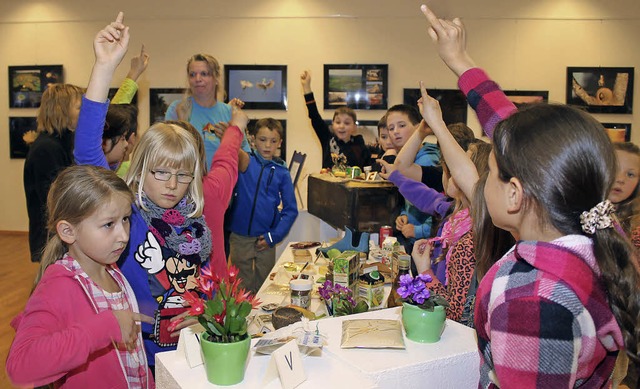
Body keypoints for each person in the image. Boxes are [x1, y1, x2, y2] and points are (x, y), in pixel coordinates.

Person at [421, 4, 640, 387]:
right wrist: (461, 62)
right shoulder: (598, 233)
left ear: (514, 195)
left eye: (491, 171)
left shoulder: (532, 298)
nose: (482, 178)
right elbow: (517, 132)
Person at [72, 12, 247, 369]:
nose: (171, 185)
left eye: (183, 176)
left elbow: (210, 283)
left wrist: (210, 321)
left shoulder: (198, 209)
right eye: (161, 172)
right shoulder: (128, 213)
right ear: (141, 168)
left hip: (197, 349)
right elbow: (87, 152)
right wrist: (104, 68)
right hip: (141, 355)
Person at [7, 165, 154, 388]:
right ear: (68, 231)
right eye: (108, 224)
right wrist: (106, 327)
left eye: (125, 219)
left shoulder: (114, 272)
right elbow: (20, 368)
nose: (123, 235)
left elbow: (135, 360)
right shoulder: (58, 287)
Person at [227, 118, 298, 294]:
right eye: (262, 139)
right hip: (240, 236)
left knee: (265, 285)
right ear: (252, 139)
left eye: (273, 141)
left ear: (280, 143)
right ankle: (241, 319)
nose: (267, 145)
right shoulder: (245, 162)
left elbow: (291, 210)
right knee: (239, 286)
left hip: (266, 238)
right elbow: (233, 143)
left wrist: (273, 236)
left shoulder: (282, 172)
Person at [23, 84, 84, 263]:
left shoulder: (60, 145)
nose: (83, 112)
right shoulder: (47, 149)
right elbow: (53, 199)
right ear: (62, 110)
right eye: (79, 107)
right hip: (51, 238)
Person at [165, 53, 250, 167]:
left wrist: (229, 141)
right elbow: (166, 154)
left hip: (223, 183)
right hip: (187, 182)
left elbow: (245, 166)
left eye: (204, 74)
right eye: (192, 74)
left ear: (216, 79)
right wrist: (183, 125)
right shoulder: (177, 109)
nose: (198, 79)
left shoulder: (231, 113)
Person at [300, 70, 372, 169]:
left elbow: (367, 170)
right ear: (333, 125)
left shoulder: (360, 146)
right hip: (328, 184)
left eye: (347, 123)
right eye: (338, 122)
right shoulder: (327, 139)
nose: (342, 126)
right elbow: (314, 116)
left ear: (354, 127)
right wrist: (306, 87)